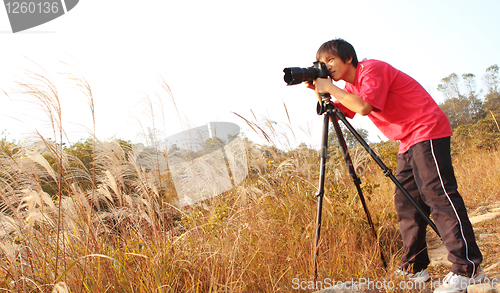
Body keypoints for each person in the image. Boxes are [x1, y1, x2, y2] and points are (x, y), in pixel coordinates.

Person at [306, 38, 484, 293]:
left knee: (438, 196)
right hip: (407, 140)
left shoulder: (371, 69)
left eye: (330, 60)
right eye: (322, 63)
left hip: (427, 129)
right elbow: (341, 110)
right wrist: (319, 89)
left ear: (348, 58)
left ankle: (468, 268)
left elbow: (364, 107)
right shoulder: (349, 85)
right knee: (406, 203)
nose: (327, 66)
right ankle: (415, 268)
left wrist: (332, 88)